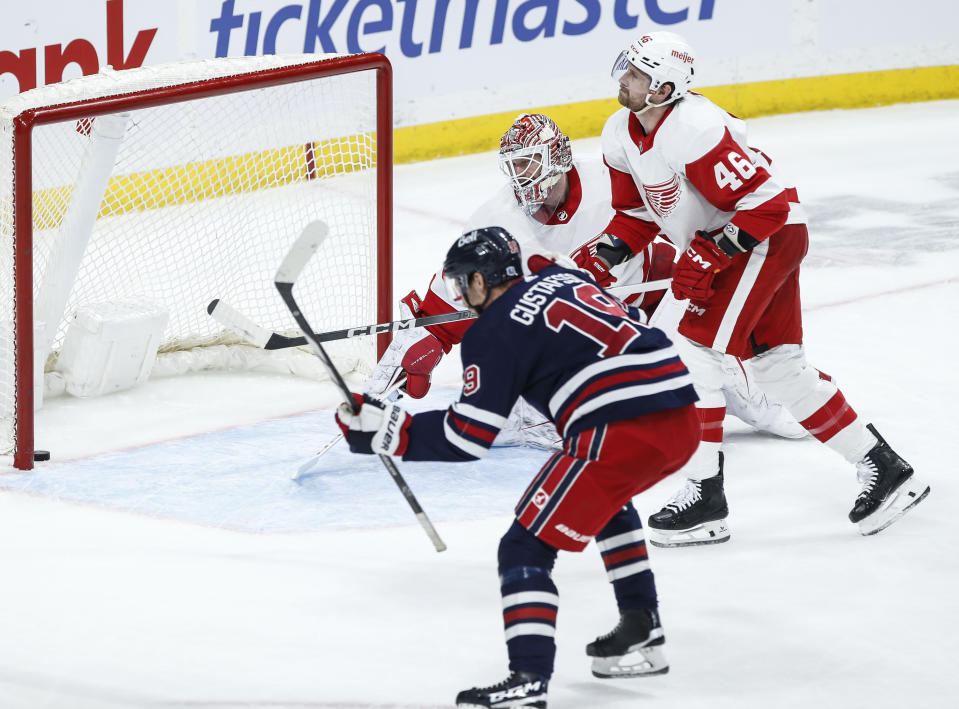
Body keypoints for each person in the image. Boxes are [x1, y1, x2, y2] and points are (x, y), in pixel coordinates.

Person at [576, 31, 929, 545]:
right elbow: (633, 217)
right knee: (777, 367)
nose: (623, 79)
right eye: (625, 68)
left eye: (636, 73)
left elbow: (771, 205)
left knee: (691, 351)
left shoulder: (695, 129)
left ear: (663, 87)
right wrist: (600, 260)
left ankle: (704, 496)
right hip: (743, 242)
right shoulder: (619, 132)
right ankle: (884, 467)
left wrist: (709, 250)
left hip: (766, 240)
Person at [337, 227, 701, 708]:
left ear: (483, 282)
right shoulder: (568, 279)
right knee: (609, 501)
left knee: (522, 546)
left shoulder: (491, 331)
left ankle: (527, 680)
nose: (461, 295)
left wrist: (388, 432)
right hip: (680, 412)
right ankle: (641, 628)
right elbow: (631, 319)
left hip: (620, 428)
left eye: (462, 283)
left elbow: (467, 437)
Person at [366, 112, 805, 448]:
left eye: (529, 162)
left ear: (557, 157)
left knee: (710, 375)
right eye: (513, 166)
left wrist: (708, 273)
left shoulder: (613, 187)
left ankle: (741, 382)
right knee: (518, 409)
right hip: (587, 329)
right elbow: (460, 286)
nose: (521, 178)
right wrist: (428, 332)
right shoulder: (499, 218)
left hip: (656, 311)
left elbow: (698, 226)